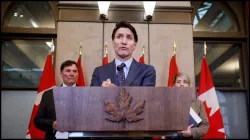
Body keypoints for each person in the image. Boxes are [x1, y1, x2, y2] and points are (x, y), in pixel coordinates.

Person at [90, 21, 156, 87]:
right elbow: (92, 96)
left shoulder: (147, 71)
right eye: (119, 37)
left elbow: (147, 96)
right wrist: (102, 91)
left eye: (129, 38)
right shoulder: (99, 72)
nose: (124, 42)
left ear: (134, 45)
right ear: (113, 43)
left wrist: (114, 91)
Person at [34, 60, 79, 139]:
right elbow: (38, 120)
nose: (71, 74)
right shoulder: (48, 94)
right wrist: (52, 124)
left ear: (78, 74)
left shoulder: (87, 94)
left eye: (74, 71)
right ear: (61, 74)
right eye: (68, 71)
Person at [173, 72, 209, 139]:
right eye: (178, 82)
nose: (181, 84)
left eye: (185, 82)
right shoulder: (167, 103)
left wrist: (192, 132)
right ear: (174, 85)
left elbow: (205, 125)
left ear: (188, 85)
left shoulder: (198, 103)